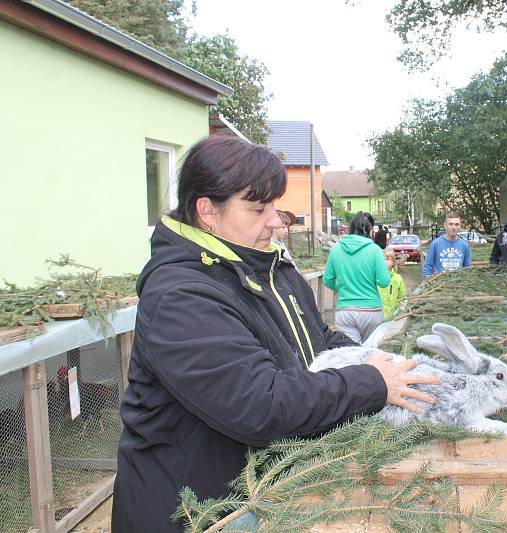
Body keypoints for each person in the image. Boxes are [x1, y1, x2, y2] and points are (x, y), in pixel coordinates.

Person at [112, 137, 437, 532]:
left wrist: (377, 361)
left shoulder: (271, 269)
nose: (276, 221)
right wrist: (371, 383)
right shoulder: (181, 295)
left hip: (260, 498)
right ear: (207, 212)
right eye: (257, 209)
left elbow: (317, 341)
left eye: (274, 207)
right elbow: (259, 405)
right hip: (195, 512)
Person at [324, 211, 391, 343]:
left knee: (351, 354)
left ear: (351, 227)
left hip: (345, 310)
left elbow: (328, 280)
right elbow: (384, 281)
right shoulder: (375, 250)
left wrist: (341, 287)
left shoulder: (336, 250)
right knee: (371, 353)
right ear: (369, 229)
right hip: (371, 311)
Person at [422, 212, 471, 278]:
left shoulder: (464, 245)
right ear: (445, 225)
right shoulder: (435, 244)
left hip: (458, 285)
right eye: (451, 224)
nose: (454, 227)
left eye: (456, 224)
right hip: (439, 285)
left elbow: (467, 269)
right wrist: (429, 282)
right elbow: (427, 267)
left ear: (460, 226)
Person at [378, 249, 407, 319]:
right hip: (377, 316)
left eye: (387, 259)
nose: (385, 262)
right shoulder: (375, 278)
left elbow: (403, 297)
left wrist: (401, 308)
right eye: (383, 259)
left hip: (392, 317)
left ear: (393, 262)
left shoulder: (398, 278)